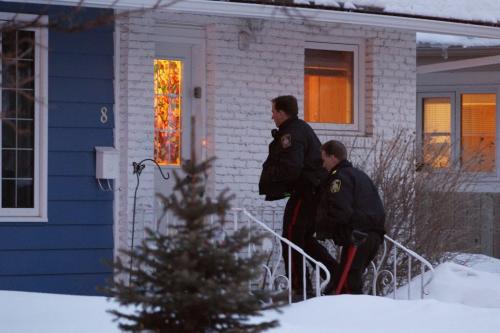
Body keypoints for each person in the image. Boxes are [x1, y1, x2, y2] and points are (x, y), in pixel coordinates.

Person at [259, 95, 336, 299]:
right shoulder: (296, 129)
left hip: (306, 191)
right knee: (303, 238)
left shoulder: (291, 133)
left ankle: (299, 287)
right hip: (311, 190)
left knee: (292, 237)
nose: (272, 116)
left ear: (283, 113)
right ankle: (333, 274)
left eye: (274, 111)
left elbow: (292, 167)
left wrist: (277, 182)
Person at [315, 140, 385, 295]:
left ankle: (352, 315)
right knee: (348, 279)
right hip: (372, 234)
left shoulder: (339, 178)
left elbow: (340, 209)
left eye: (324, 158)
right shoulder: (359, 175)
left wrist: (324, 230)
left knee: (347, 284)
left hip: (359, 236)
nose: (322, 164)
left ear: (333, 157)